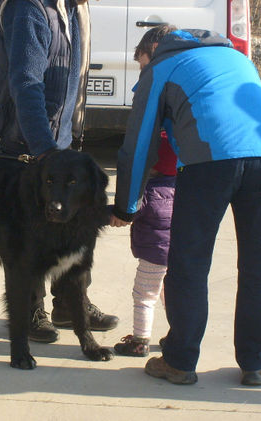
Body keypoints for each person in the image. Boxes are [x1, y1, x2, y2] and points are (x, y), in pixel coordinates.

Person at [110, 27, 261, 386]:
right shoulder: (237, 58)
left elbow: (140, 145)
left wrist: (127, 206)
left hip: (208, 164)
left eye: (143, 64)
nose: (143, 73)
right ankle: (255, 362)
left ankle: (179, 360)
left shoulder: (162, 67)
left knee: (188, 263)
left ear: (153, 51)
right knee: (260, 264)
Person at [0, 0, 125, 343]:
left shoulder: (70, 1)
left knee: (73, 223)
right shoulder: (30, 3)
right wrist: (42, 151)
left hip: (55, 141)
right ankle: (31, 309)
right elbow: (25, 82)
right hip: (20, 142)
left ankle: (70, 304)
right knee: (26, 234)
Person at [113, 26, 178, 357]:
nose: (142, 72)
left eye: (142, 65)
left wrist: (119, 211)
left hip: (155, 249)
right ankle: (177, 335)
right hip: (177, 244)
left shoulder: (152, 194)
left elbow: (132, 207)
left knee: (145, 290)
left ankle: (140, 339)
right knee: (171, 290)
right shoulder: (182, 189)